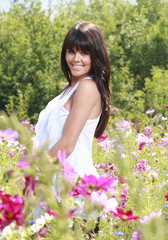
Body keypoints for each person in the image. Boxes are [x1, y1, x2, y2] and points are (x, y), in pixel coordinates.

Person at [33, 21, 111, 178]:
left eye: (84, 53)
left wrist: (32, 175)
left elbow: (67, 144)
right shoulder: (68, 90)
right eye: (71, 52)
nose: (76, 59)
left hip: (73, 182)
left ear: (95, 55)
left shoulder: (87, 87)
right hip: (52, 178)